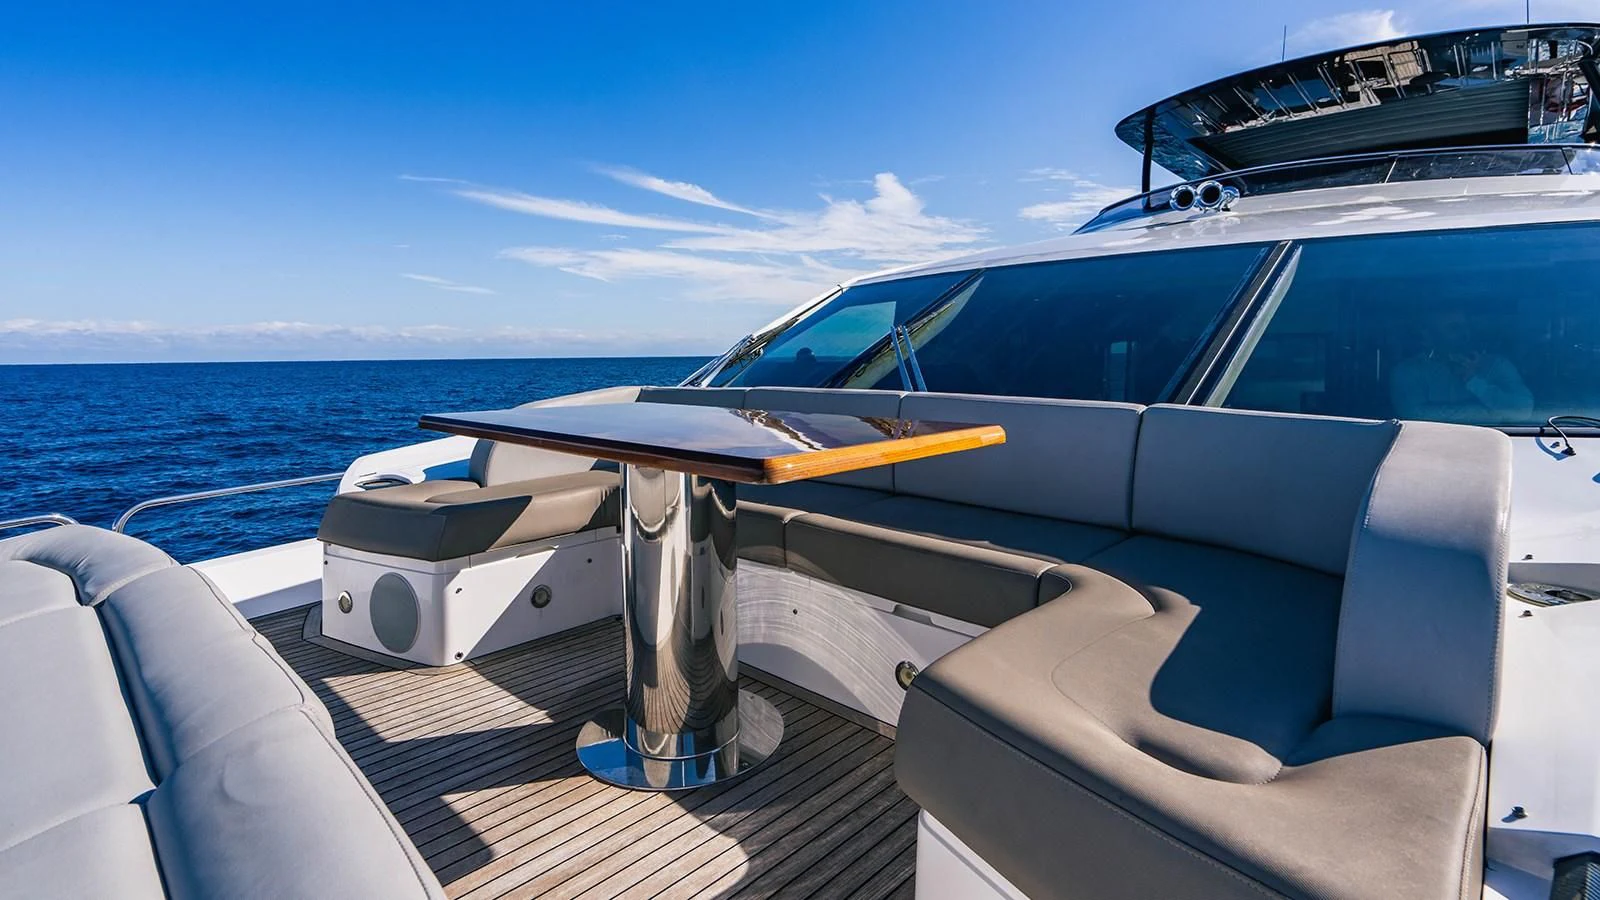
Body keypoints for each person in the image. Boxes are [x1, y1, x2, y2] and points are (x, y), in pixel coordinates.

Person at [1390, 310, 1534, 423]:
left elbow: (1524, 411)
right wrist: (1491, 414)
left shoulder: (1497, 365)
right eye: (1454, 328)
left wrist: (1475, 382)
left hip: (1498, 443)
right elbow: (1414, 416)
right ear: (1429, 335)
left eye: (1466, 326)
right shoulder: (1409, 371)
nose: (1464, 334)